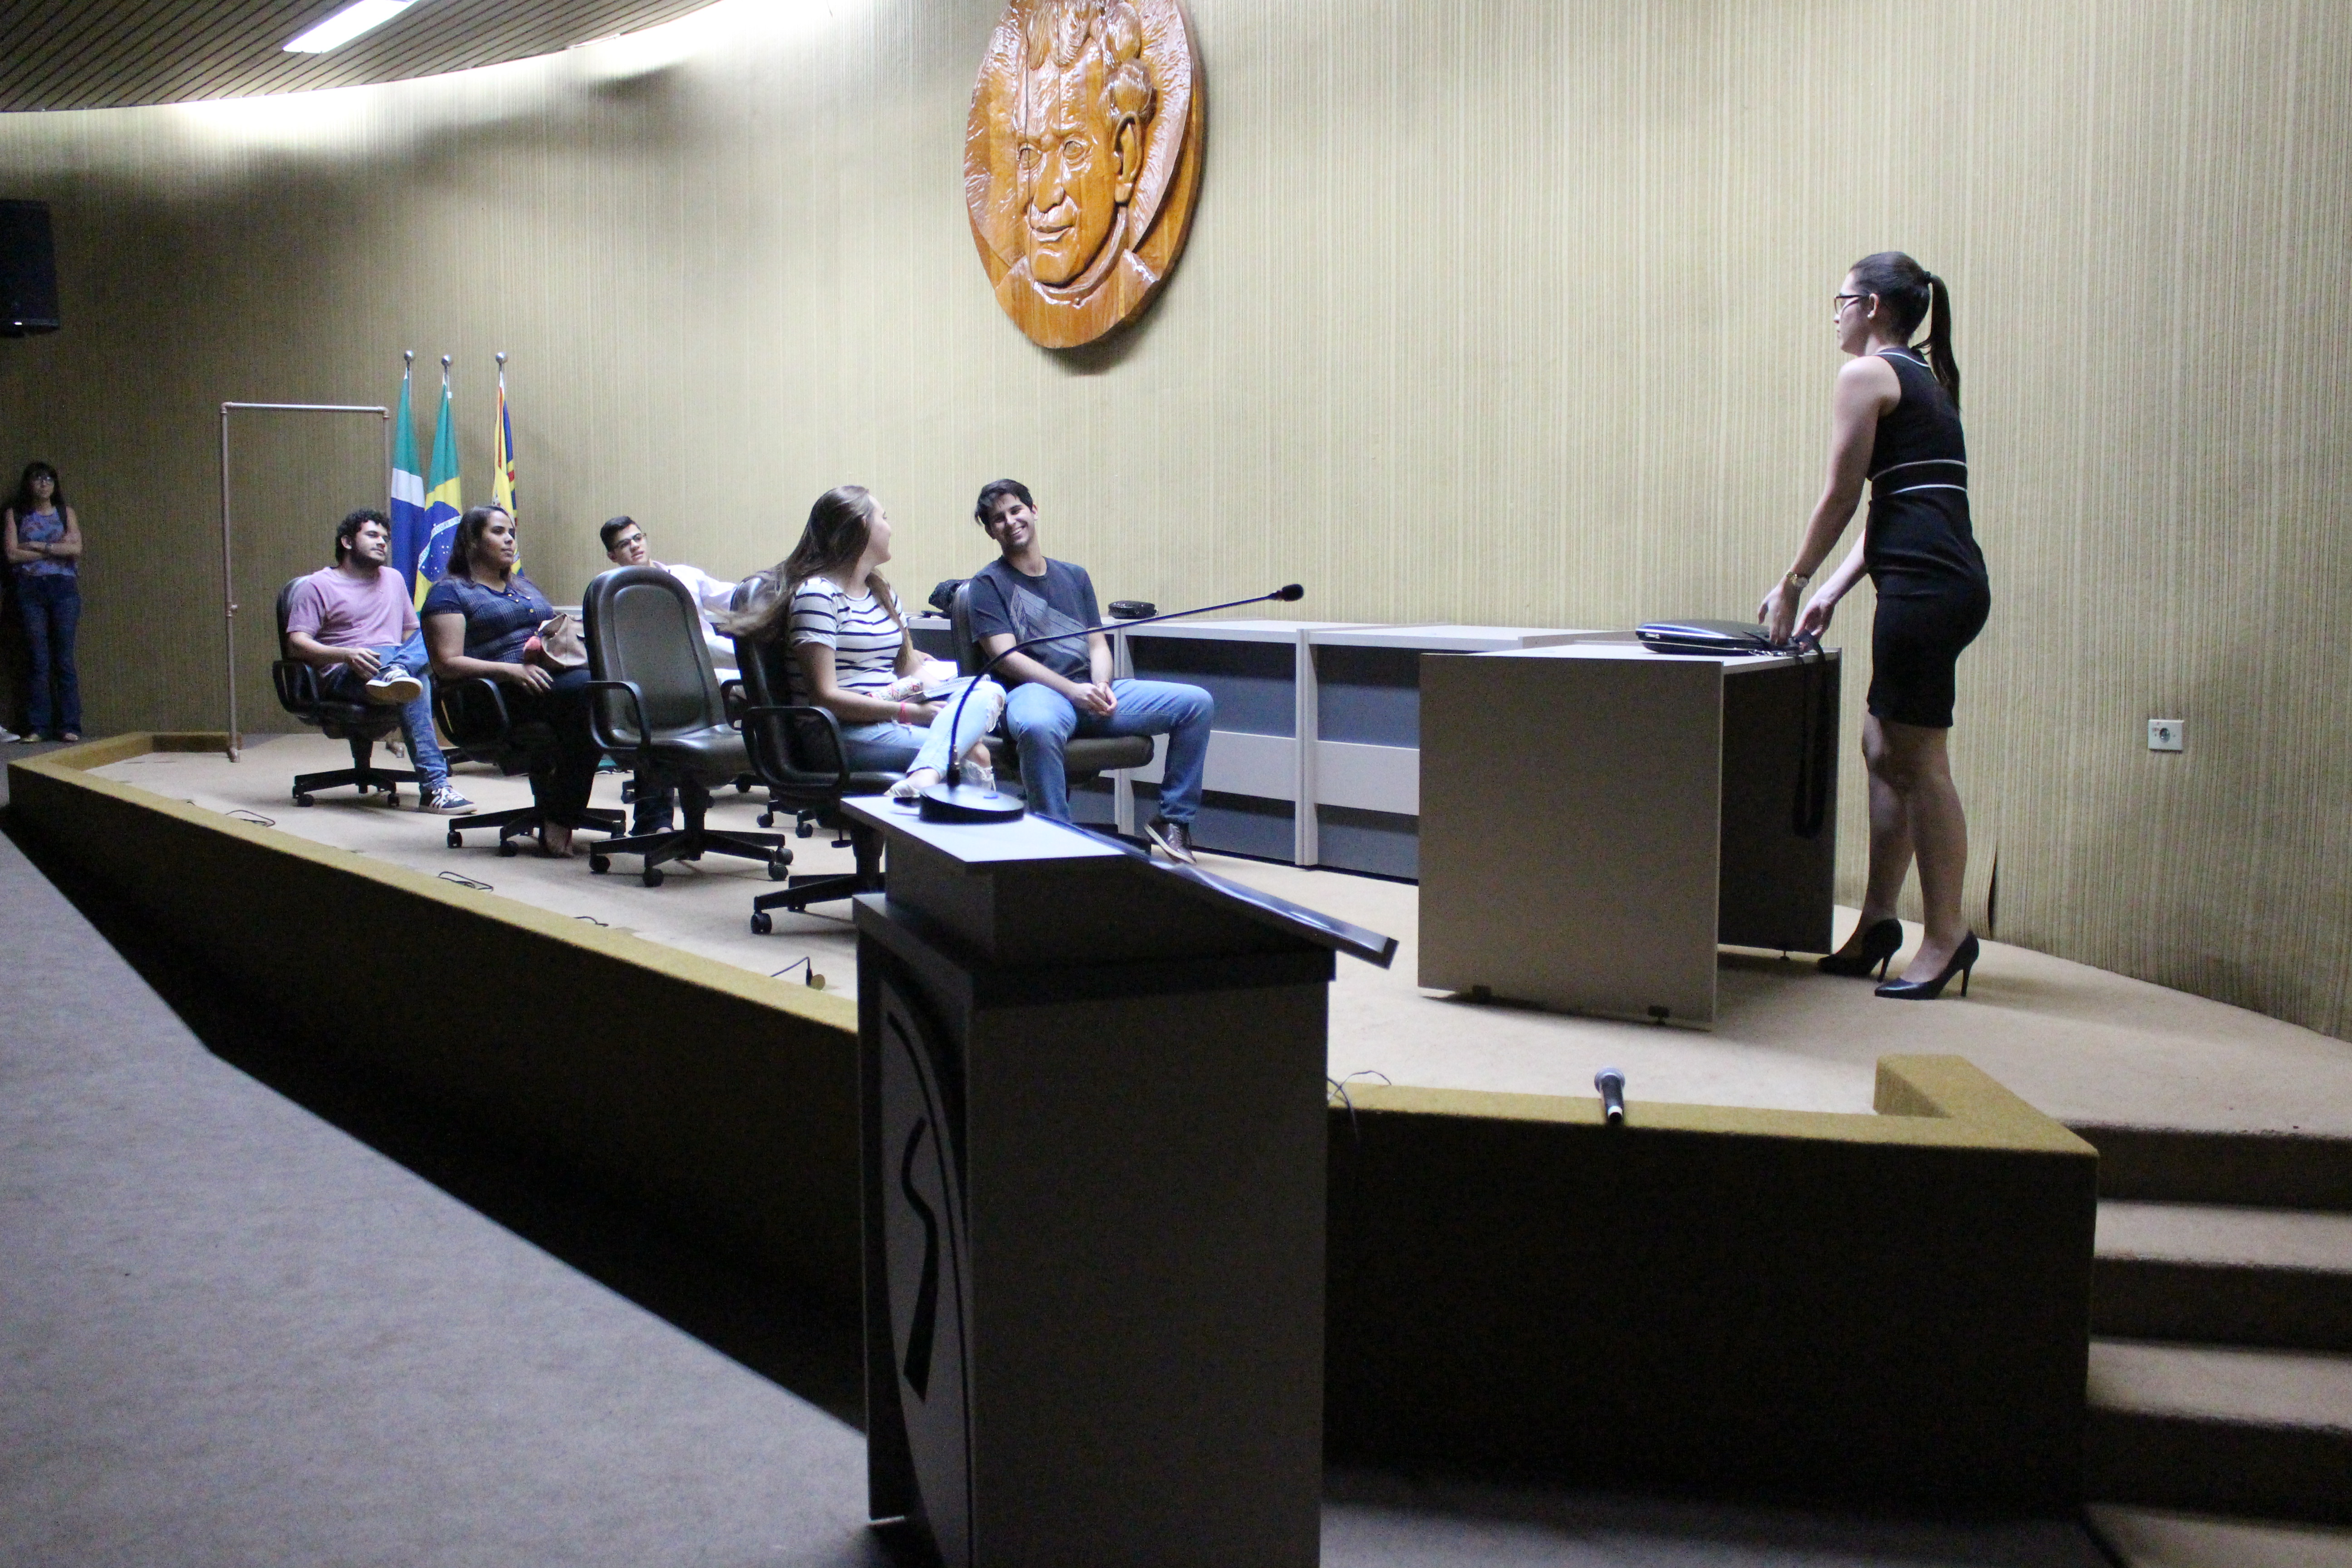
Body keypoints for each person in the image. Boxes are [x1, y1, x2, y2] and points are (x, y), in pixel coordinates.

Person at [1758, 252, 1990, 1001]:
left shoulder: (1865, 375)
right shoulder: (1922, 378)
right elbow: (1895, 504)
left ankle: (1947, 936)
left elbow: (1839, 495)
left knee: (1919, 762)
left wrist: (1793, 581)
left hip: (1925, 590)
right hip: (1937, 584)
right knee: (1880, 746)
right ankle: (1879, 924)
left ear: (1870, 307)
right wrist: (1830, 590)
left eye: (1840, 300)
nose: (1834, 314)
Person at [967, 478, 1212, 863]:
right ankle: (1055, 837)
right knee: (1038, 726)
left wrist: (1101, 686)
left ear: (1034, 511)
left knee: (1197, 704)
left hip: (1089, 690)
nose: (1010, 522)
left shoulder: (1075, 576)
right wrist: (1072, 691)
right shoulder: (987, 584)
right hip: (1034, 693)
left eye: (1016, 510)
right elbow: (1006, 657)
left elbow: (1097, 645)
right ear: (990, 531)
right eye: (998, 519)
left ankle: (1173, 821)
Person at [720, 485, 1004, 802]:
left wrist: (948, 697)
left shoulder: (881, 592)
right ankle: (934, 794)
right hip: (840, 732)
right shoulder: (818, 595)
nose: (890, 528)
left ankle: (925, 777)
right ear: (863, 526)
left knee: (988, 690)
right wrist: (910, 713)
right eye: (885, 518)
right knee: (974, 754)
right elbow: (826, 697)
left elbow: (911, 670)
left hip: (892, 715)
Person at [422, 505, 601, 856]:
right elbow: (446, 663)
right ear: (472, 541)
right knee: (591, 696)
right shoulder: (450, 593)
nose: (509, 540)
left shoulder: (524, 586)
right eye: (498, 532)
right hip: (493, 696)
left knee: (607, 690)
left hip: (546, 682)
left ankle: (641, 815)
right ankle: (561, 816)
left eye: (512, 534)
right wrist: (510, 671)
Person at [284, 508, 474, 813]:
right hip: (345, 673)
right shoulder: (317, 585)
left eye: (386, 538)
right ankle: (435, 787)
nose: (382, 542)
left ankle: (396, 671)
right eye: (372, 535)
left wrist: (410, 659)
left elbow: (412, 633)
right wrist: (346, 654)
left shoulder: (394, 579)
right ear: (347, 542)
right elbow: (297, 643)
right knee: (407, 672)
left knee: (434, 638)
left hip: (393, 671)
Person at [4, 461, 83, 742]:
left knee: (64, 659)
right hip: (30, 589)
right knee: (37, 659)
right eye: (38, 479)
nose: (44, 484)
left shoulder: (65, 512)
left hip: (63, 589)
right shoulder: (16, 514)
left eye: (49, 479)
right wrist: (56, 550)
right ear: (29, 484)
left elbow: (76, 549)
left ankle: (70, 725)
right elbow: (12, 554)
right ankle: (38, 726)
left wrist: (38, 545)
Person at [598, 515, 740, 671]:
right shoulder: (616, 599)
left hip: (719, 662)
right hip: (667, 671)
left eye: (638, 538)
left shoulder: (686, 575)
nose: (634, 546)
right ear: (613, 556)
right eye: (624, 544)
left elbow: (735, 598)